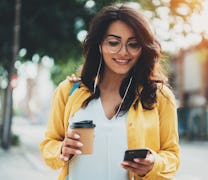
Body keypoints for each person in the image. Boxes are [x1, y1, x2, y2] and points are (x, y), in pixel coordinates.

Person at [40, 4, 180, 180]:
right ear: (99, 45)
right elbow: (49, 144)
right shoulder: (68, 91)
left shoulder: (160, 96)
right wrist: (61, 149)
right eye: (113, 43)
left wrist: (154, 164)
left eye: (133, 44)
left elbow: (172, 156)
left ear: (143, 48)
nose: (123, 52)